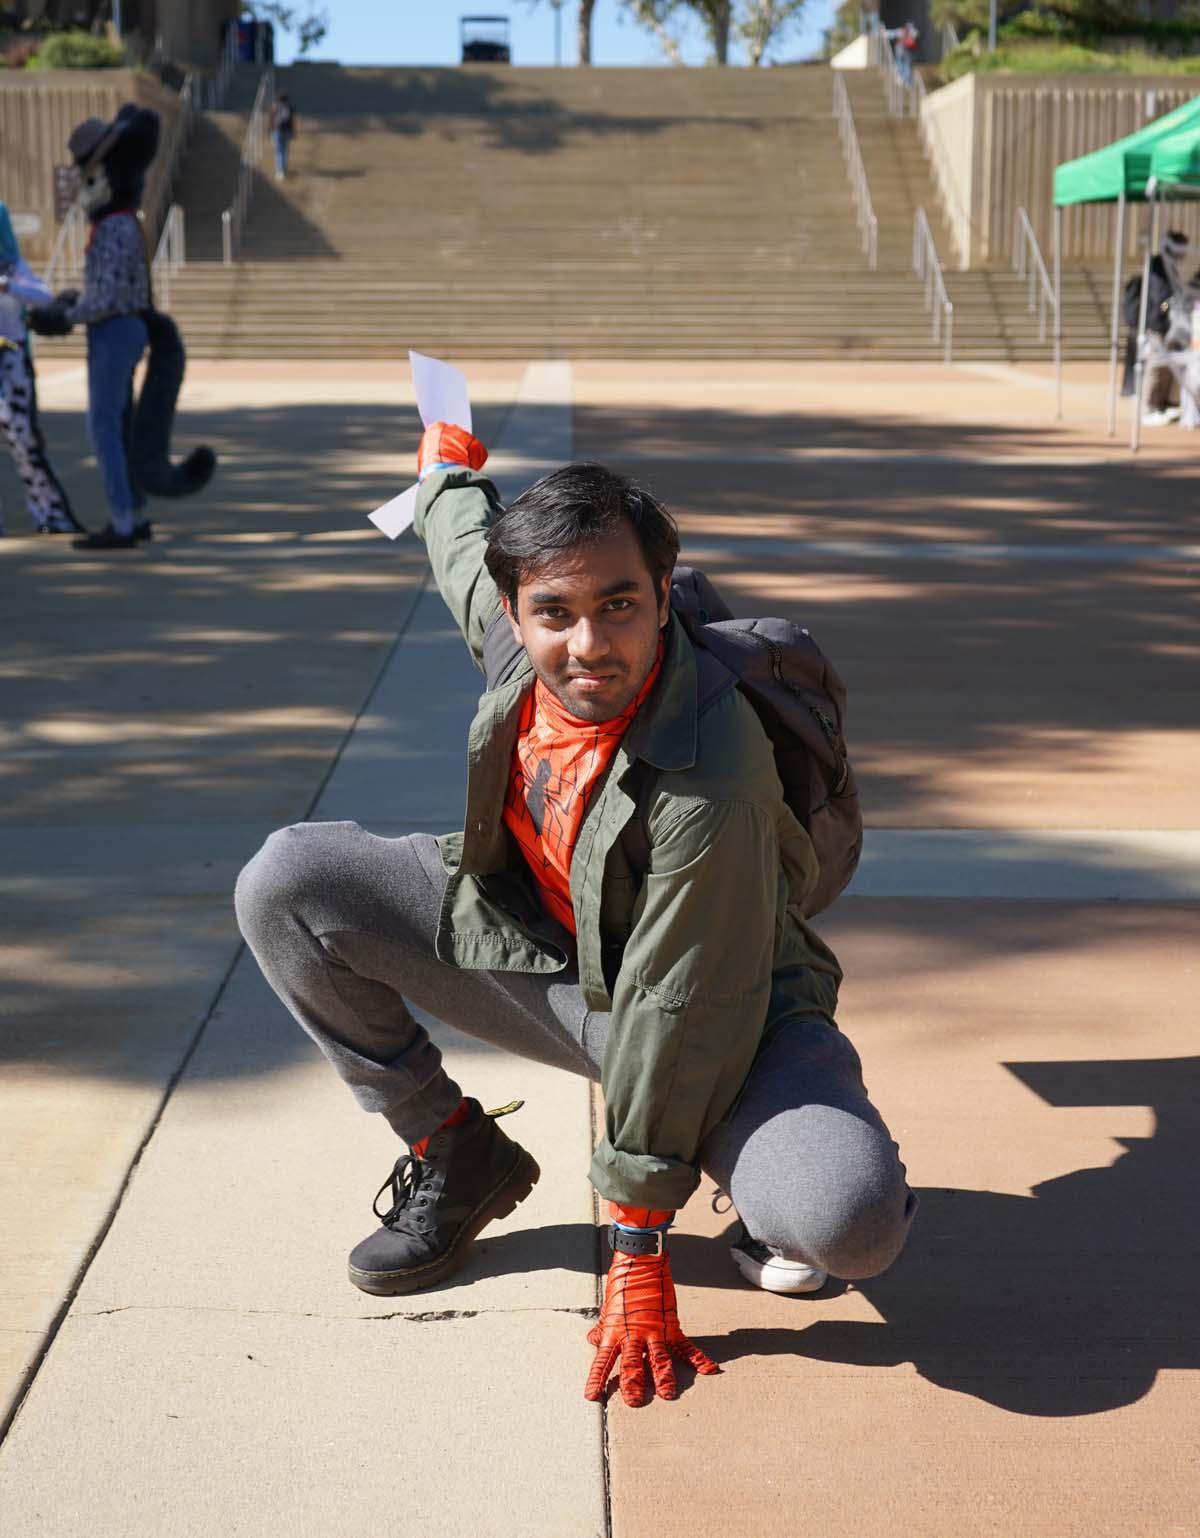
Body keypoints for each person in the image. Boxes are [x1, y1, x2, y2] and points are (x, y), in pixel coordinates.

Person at [235, 427, 916, 1408]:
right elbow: (467, 548)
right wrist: (447, 472)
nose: (589, 643)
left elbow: (682, 1003)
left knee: (846, 1217)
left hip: (731, 1016)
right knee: (288, 881)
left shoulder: (711, 772)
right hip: (553, 961)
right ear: (518, 609)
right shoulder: (523, 640)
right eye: (553, 610)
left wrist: (637, 1236)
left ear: (662, 592)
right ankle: (455, 1148)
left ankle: (772, 1172)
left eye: (620, 605)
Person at [0, 202, 84, 536]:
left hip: (11, 358)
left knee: (23, 441)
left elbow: (44, 296)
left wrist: (9, 287)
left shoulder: (11, 265)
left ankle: (49, 513)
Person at [1121, 229, 1190, 424]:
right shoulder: (1158, 267)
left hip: (1169, 324)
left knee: (1169, 365)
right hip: (1157, 323)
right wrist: (1172, 304)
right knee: (1156, 365)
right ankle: (1150, 405)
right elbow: (1161, 298)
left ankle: (1164, 403)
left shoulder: (1170, 266)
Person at [270, 93, 296, 181]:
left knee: (279, 151)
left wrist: (270, 131)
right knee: (284, 151)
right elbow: (291, 121)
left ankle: (280, 170)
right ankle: (283, 169)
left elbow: (271, 120)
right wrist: (293, 132)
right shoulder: (290, 107)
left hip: (278, 132)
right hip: (286, 132)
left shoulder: (275, 107)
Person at [886, 21, 919, 87]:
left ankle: (901, 78)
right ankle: (908, 82)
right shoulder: (913, 32)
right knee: (907, 65)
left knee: (899, 62)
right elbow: (916, 36)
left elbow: (892, 34)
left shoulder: (902, 31)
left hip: (900, 49)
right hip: (908, 51)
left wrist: (885, 33)